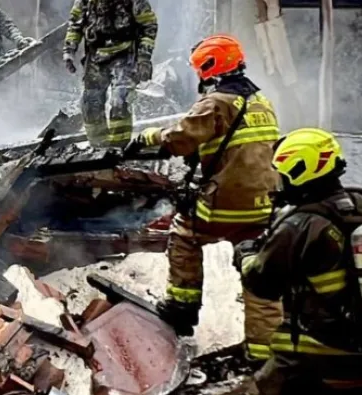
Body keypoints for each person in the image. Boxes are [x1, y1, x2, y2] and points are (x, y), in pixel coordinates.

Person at [124, 34, 282, 361]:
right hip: (265, 204)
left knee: (184, 234)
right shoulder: (261, 102)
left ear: (210, 67)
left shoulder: (216, 103)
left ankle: (182, 308)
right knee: (256, 268)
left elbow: (180, 138)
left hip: (226, 204)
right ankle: (264, 352)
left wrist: (147, 137)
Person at [244, 128, 362, 394]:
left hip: (316, 363)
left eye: (283, 175)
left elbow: (262, 285)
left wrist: (246, 255)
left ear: (299, 171)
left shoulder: (299, 224)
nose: (279, 183)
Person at [62, 0, 157, 147]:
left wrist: (144, 58)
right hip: (95, 56)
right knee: (90, 104)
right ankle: (99, 147)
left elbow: (149, 25)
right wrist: (69, 52)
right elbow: (75, 25)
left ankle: (119, 147)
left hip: (125, 55)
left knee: (120, 102)